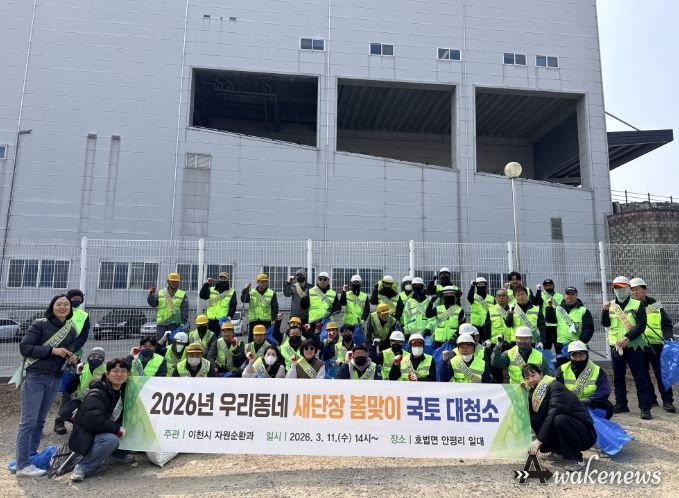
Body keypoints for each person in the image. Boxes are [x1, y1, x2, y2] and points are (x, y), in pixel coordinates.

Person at [16, 294, 77, 477]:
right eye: (59, 304)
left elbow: (69, 350)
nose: (62, 307)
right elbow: (25, 348)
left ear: (70, 308)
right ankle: (22, 465)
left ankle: (32, 457)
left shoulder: (70, 329)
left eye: (66, 304)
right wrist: (52, 350)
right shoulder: (40, 324)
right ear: (52, 306)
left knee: (40, 421)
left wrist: (71, 357)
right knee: (28, 421)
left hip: (55, 378)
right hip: (36, 376)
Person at [69, 358, 133, 482]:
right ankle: (83, 467)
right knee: (111, 439)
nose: (119, 374)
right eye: (115, 371)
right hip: (86, 436)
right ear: (107, 374)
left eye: (123, 371)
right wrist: (117, 428)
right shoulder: (97, 393)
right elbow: (94, 420)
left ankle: (114, 455)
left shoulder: (123, 391)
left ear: (128, 374)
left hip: (101, 430)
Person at [523, 364, 597, 472]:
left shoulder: (555, 387)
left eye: (533, 375)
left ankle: (576, 459)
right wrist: (524, 393)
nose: (530, 380)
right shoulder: (535, 392)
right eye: (527, 378)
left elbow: (553, 413)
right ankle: (557, 451)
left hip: (584, 433)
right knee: (536, 418)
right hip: (565, 427)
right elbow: (533, 415)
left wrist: (538, 441)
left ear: (541, 374)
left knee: (559, 419)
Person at [602, 276, 652, 419]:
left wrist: (628, 338)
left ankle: (645, 408)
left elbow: (641, 325)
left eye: (622, 287)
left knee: (639, 377)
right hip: (616, 346)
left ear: (628, 288)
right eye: (616, 288)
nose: (619, 290)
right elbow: (605, 323)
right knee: (618, 377)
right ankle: (621, 404)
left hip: (633, 345)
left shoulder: (637, 304)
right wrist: (604, 310)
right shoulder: (610, 305)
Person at [630, 277, 675, 413]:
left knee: (661, 373)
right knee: (643, 374)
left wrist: (668, 337)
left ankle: (667, 400)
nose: (635, 292)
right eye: (632, 290)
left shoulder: (655, 305)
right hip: (638, 345)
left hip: (656, 345)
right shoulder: (629, 306)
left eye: (637, 289)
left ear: (645, 290)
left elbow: (666, 323)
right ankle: (651, 399)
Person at [54, 288, 91, 435]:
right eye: (73, 298)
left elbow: (83, 336)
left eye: (79, 298)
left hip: (72, 356)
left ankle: (60, 420)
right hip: (53, 354)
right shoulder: (59, 311)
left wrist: (71, 350)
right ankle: (37, 422)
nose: (77, 300)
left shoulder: (84, 315)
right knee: (47, 388)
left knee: (68, 390)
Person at [555, 341, 614, 419]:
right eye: (574, 356)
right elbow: (556, 390)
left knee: (608, 406)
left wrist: (589, 401)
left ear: (587, 355)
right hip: (570, 404)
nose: (578, 359)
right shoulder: (562, 370)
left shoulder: (597, 370)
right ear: (569, 356)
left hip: (591, 404)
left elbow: (604, 391)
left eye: (581, 355)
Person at [59, 348, 107, 426]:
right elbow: (70, 389)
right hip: (81, 399)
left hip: (97, 402)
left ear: (103, 359)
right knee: (65, 412)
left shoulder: (106, 371)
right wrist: (77, 375)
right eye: (93, 356)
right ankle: (61, 421)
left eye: (99, 357)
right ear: (88, 358)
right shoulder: (82, 367)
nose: (96, 359)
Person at [543, 287, 594, 358]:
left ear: (576, 295)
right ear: (565, 295)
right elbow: (550, 320)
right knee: (562, 364)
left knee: (577, 363)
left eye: (572, 294)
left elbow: (589, 328)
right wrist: (549, 308)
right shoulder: (558, 309)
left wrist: (582, 341)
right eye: (568, 294)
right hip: (561, 345)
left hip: (577, 345)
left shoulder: (583, 310)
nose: (570, 296)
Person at [147, 272, 188, 340]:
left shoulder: (182, 294)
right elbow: (153, 304)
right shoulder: (161, 292)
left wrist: (183, 322)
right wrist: (150, 295)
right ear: (168, 281)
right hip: (162, 324)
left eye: (176, 281)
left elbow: (184, 309)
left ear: (178, 282)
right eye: (172, 281)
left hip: (174, 323)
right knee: (160, 343)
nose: (174, 283)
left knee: (173, 343)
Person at [241, 273, 278, 342]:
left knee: (266, 341)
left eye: (266, 281)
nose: (264, 283)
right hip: (253, 321)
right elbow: (244, 300)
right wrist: (245, 290)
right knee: (252, 341)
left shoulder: (272, 293)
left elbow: (275, 307)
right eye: (262, 281)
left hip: (266, 322)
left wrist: (274, 319)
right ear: (258, 282)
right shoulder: (251, 292)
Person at [485, 288, 512, 382]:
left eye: (503, 295)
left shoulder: (513, 309)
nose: (501, 298)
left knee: (512, 367)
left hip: (510, 343)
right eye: (499, 296)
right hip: (495, 344)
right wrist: (487, 339)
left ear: (508, 297)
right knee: (496, 369)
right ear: (496, 298)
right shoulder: (491, 310)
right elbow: (487, 326)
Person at [535, 279, 563, 351]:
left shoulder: (560, 296)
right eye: (546, 286)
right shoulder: (541, 295)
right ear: (544, 287)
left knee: (559, 348)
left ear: (553, 286)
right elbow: (537, 302)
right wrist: (538, 291)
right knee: (546, 349)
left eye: (550, 285)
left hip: (558, 325)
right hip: (546, 326)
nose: (548, 287)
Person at [467, 277, 494, 341]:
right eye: (479, 285)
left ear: (486, 285)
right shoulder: (473, 297)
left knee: (487, 343)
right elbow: (469, 297)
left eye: (482, 284)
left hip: (487, 326)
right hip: (476, 326)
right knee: (476, 344)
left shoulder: (491, 298)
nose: (481, 286)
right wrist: (472, 286)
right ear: (476, 286)